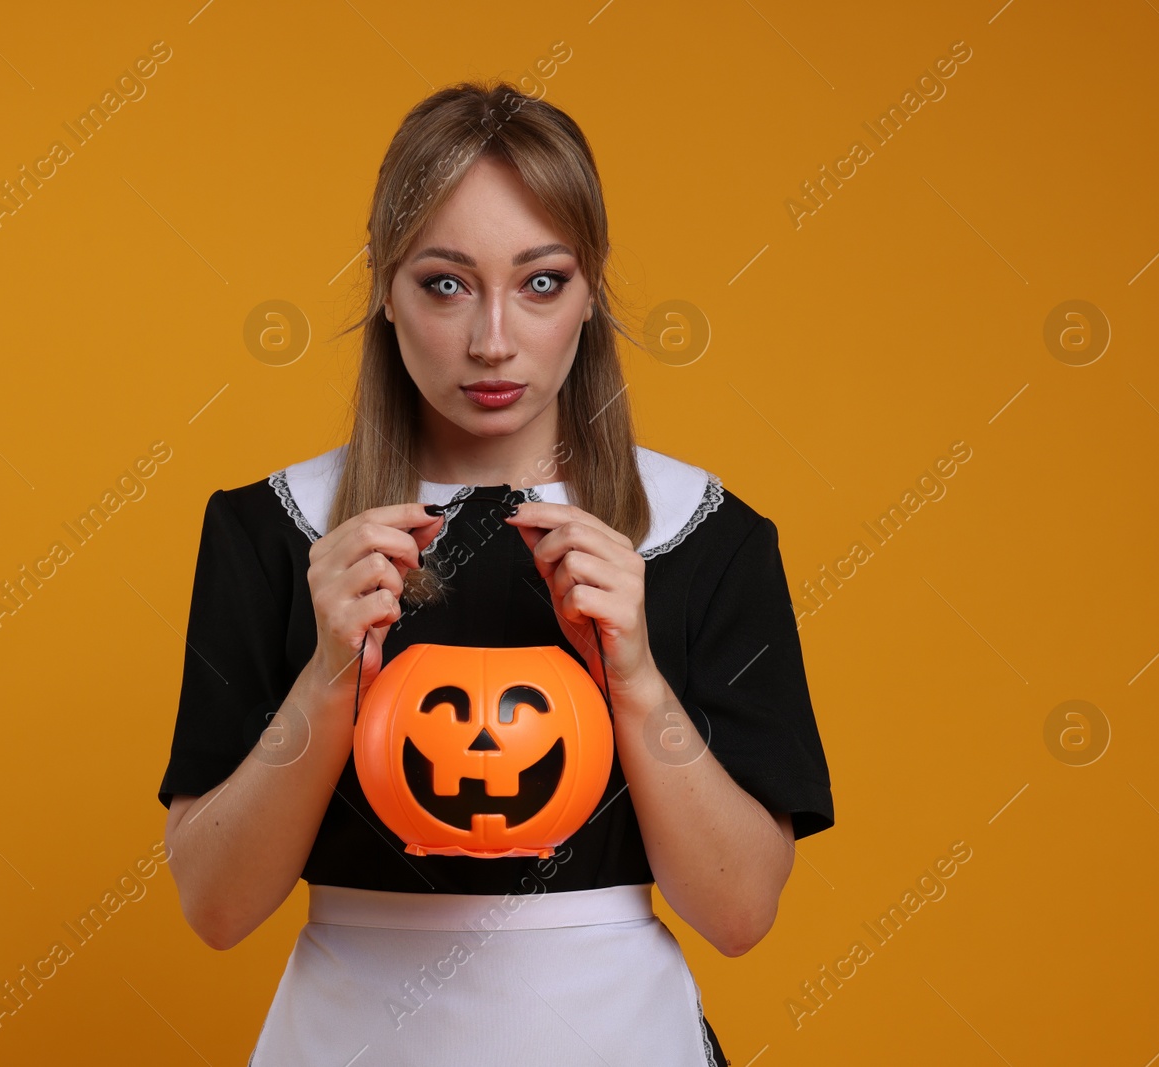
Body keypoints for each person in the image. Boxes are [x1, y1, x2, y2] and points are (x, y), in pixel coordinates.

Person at [157, 79, 834, 1066]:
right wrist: (328, 675)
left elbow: (737, 910)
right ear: (385, 290)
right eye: (444, 282)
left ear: (591, 289)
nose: (492, 340)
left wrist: (637, 679)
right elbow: (216, 905)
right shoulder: (271, 531)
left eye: (540, 281)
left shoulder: (706, 535)